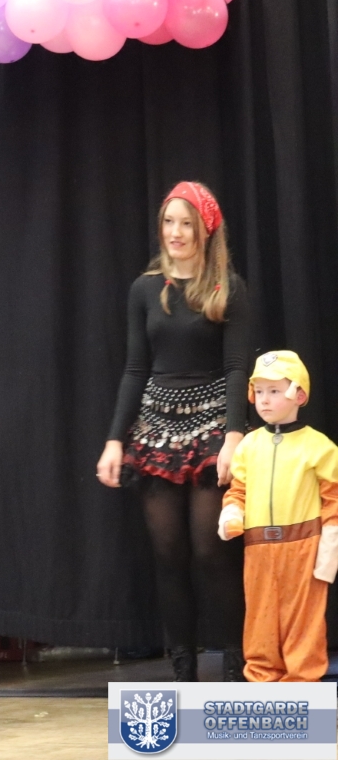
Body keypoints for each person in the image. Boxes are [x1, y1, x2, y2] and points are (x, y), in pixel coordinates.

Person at [96, 182, 249, 682]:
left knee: (211, 551)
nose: (176, 232)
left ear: (206, 230)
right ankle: (183, 671)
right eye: (169, 222)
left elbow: (236, 367)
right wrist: (115, 439)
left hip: (212, 427)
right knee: (168, 554)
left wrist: (233, 435)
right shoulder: (145, 289)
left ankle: (235, 666)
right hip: (157, 430)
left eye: (186, 223)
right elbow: (135, 368)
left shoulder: (227, 286)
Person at [218, 352, 338, 681]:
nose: (264, 399)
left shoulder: (320, 447)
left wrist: (329, 547)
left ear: (298, 394)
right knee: (260, 616)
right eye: (259, 391)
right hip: (258, 548)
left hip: (304, 545)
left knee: (304, 617)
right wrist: (232, 513)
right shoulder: (248, 446)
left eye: (274, 391)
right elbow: (238, 490)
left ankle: (302, 680)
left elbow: (333, 500)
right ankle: (262, 677)